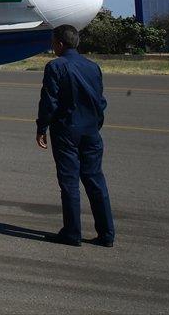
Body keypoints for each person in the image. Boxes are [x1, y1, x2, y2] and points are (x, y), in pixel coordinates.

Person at [36, 24, 116, 247]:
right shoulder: (93, 66)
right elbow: (100, 101)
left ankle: (72, 233)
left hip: (66, 132)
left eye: (53, 42)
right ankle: (107, 233)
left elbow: (49, 102)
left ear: (60, 44)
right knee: (95, 180)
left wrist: (42, 127)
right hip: (91, 131)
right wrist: (95, 124)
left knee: (69, 182)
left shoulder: (55, 66)